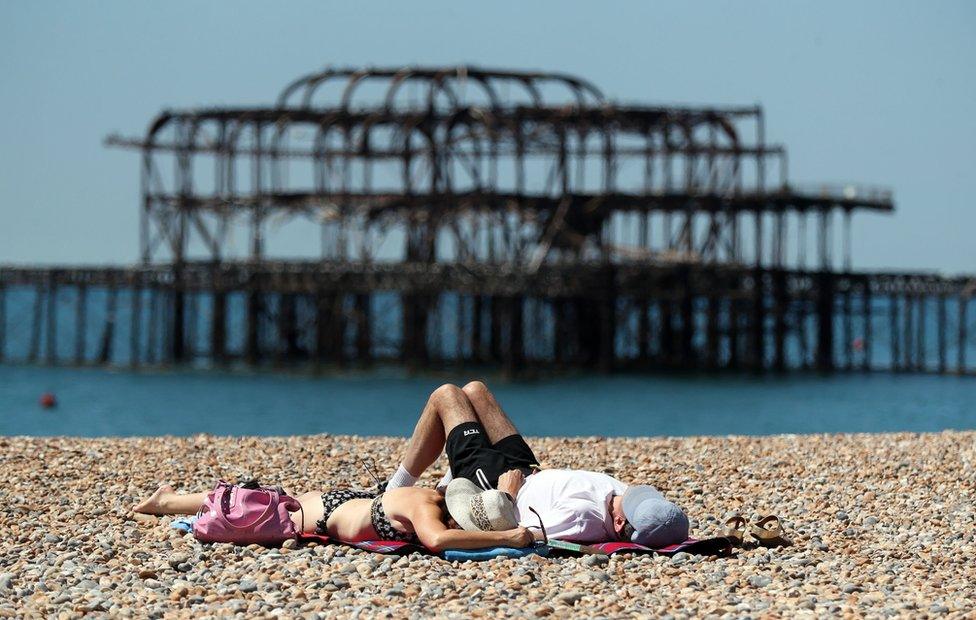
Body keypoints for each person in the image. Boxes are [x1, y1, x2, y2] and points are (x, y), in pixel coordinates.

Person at [384, 381, 689, 547]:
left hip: (498, 483)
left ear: (620, 523)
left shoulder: (581, 520)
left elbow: (523, 533)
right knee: (476, 390)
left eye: (634, 500)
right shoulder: (626, 499)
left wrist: (508, 495)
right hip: (528, 467)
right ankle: (455, 466)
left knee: (446, 395)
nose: (632, 492)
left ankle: (393, 490)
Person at [133, 479, 533, 553]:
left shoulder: (427, 494)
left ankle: (166, 502)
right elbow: (437, 540)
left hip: (320, 505)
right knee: (244, 511)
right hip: (308, 519)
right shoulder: (424, 507)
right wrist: (508, 537)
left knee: (248, 501)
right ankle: (164, 504)